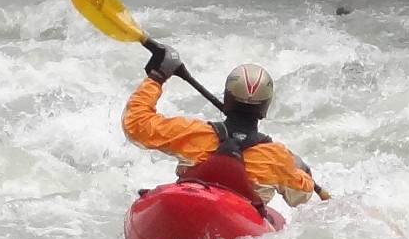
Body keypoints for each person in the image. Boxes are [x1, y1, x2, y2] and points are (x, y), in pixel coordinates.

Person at [121, 45, 317, 212]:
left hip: (187, 207)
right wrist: (302, 171)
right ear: (264, 109)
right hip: (239, 223)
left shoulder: (193, 133)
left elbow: (135, 123)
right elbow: (301, 196)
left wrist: (156, 77)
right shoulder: (276, 157)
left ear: (227, 99)